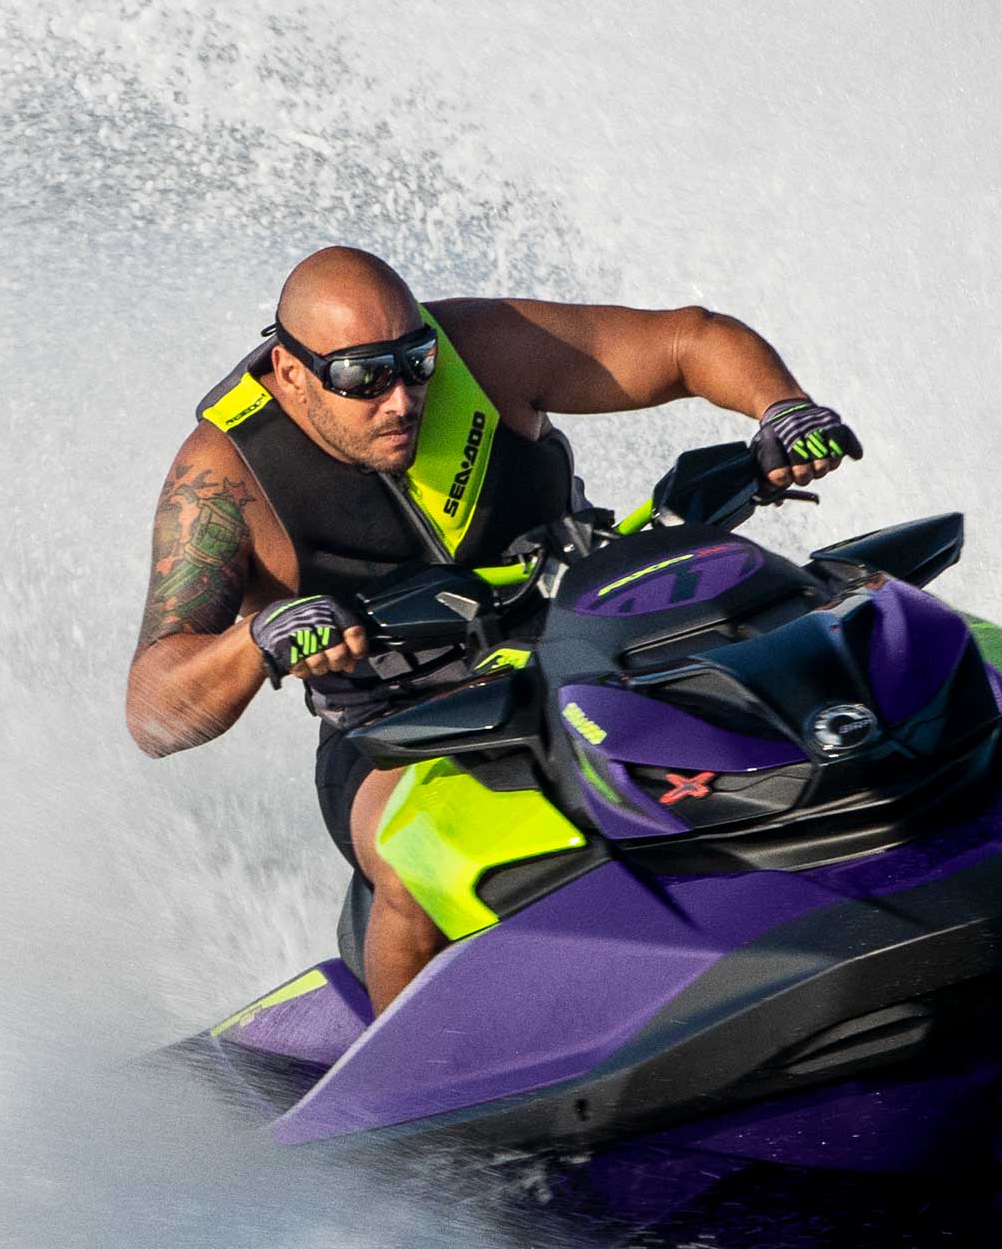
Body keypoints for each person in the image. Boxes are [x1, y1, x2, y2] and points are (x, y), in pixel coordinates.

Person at [125, 245, 862, 1008]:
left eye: (413, 363)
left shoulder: (479, 350)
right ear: (290, 371)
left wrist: (781, 405)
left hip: (586, 637)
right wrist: (258, 641)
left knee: (793, 655)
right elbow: (153, 710)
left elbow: (688, 342)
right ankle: (410, 1105)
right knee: (416, 854)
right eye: (362, 379)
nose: (403, 398)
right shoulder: (222, 482)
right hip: (401, 723)